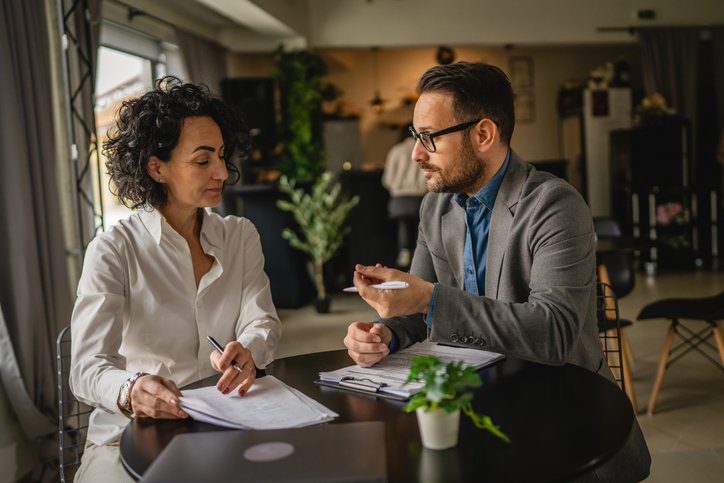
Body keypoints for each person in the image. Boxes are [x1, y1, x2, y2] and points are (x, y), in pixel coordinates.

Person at [343, 62, 650, 482]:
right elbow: (416, 315)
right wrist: (386, 335)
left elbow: (554, 333)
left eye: (429, 137)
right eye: (417, 137)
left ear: (483, 134)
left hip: (566, 418)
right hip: (477, 406)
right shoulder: (435, 207)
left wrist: (428, 298)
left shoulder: (555, 206)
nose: (416, 153)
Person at [70, 76, 282, 483]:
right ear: (157, 167)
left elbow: (263, 322)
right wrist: (132, 389)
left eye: (221, 155)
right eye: (203, 161)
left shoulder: (240, 236)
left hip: (227, 419)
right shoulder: (114, 250)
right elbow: (85, 368)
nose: (222, 170)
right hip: (131, 436)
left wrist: (250, 349)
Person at [382, 123, 428, 268]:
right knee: (421, 232)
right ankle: (419, 261)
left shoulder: (395, 150)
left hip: (398, 201)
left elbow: (387, 180)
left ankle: (404, 253)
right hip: (420, 200)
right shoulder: (424, 148)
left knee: (403, 226)